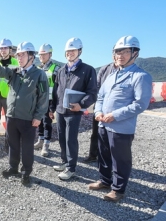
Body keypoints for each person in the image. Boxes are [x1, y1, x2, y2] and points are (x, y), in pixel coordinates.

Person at [88, 36, 152, 202]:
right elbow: (100, 96)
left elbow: (140, 104)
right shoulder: (111, 75)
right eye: (117, 52)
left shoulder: (140, 76)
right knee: (103, 155)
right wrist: (98, 112)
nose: (120, 55)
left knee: (120, 159)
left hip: (121, 127)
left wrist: (115, 115)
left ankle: (118, 189)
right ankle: (104, 180)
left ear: (135, 53)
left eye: (125, 51)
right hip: (103, 124)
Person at [0, 42, 49, 185]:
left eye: (22, 55)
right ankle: (13, 168)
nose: (19, 57)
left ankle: (26, 172)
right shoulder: (14, 71)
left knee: (27, 147)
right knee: (13, 144)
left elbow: (43, 97)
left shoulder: (39, 74)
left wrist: (38, 116)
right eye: (18, 55)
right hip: (12, 116)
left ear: (31, 56)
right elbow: (3, 71)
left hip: (28, 119)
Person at [49, 37, 97, 180]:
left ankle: (71, 168)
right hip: (60, 110)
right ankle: (64, 161)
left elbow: (93, 93)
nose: (70, 53)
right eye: (68, 51)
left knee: (71, 139)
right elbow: (55, 91)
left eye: (73, 50)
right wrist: (52, 107)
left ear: (79, 51)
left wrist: (81, 105)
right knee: (62, 138)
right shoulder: (61, 70)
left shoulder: (88, 70)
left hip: (74, 112)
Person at [82, 56, 119, 163]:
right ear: (113, 55)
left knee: (113, 135)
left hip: (114, 109)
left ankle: (111, 159)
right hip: (100, 106)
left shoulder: (128, 71)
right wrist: (99, 107)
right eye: (116, 53)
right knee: (96, 132)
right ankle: (93, 155)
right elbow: (96, 86)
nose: (119, 56)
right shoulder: (105, 69)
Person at [34, 44, 60, 157]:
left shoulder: (56, 68)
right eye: (40, 54)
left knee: (47, 123)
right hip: (39, 100)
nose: (41, 56)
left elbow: (58, 87)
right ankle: (40, 139)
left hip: (49, 100)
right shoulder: (38, 68)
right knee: (38, 121)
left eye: (44, 54)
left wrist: (54, 105)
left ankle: (46, 144)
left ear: (50, 54)